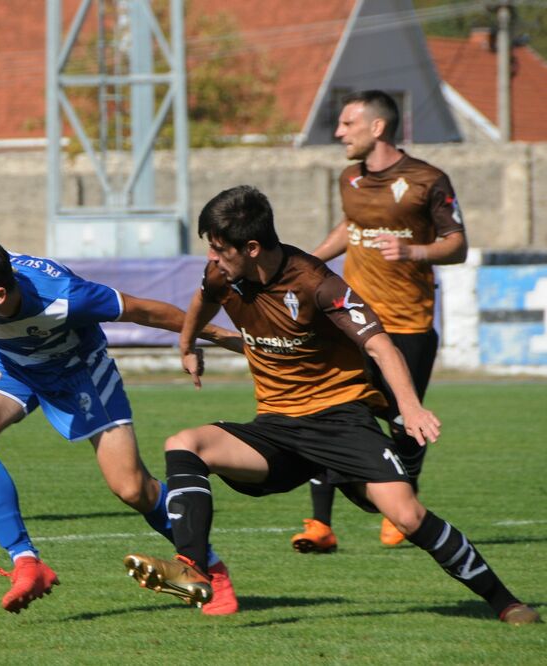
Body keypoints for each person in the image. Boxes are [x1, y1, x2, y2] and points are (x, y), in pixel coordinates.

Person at [123, 185, 539, 626]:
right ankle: (192, 566)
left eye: (219, 249)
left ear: (252, 247)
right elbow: (203, 299)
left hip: (341, 421)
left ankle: (505, 602)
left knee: (407, 515)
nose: (212, 257)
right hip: (277, 429)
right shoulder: (222, 274)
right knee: (184, 443)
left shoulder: (316, 283)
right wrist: (188, 343)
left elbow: (379, 344)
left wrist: (411, 407)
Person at [0, 224, 244, 614]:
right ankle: (26, 562)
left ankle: (210, 568)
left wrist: (217, 338)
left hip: (79, 372)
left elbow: (144, 310)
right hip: (9, 363)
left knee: (132, 489)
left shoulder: (66, 297)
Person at [291, 90, 469, 552]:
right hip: (352, 321)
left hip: (408, 325)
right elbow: (351, 228)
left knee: (405, 422)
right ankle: (319, 525)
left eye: (347, 123)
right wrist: (306, 265)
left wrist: (415, 250)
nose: (338, 133)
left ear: (377, 127)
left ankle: (403, 508)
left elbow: (457, 244)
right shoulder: (349, 178)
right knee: (328, 411)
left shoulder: (427, 179)